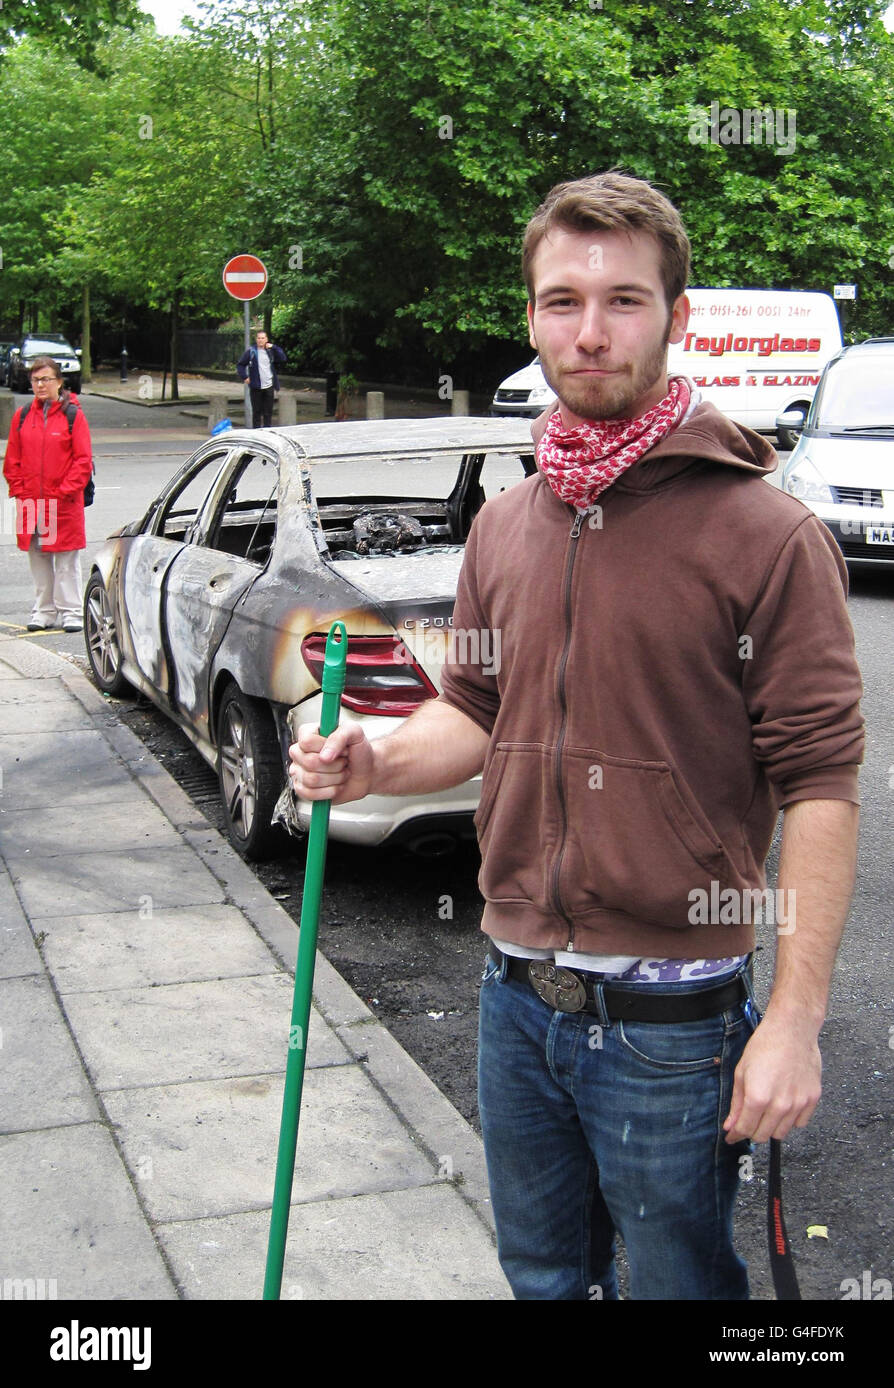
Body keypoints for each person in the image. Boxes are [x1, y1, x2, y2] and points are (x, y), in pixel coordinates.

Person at [287, 172, 864, 1300]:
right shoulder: (507, 523)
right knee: (543, 1279)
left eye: (624, 300)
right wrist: (376, 758)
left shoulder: (768, 533)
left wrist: (793, 1022)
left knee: (679, 1288)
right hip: (513, 1001)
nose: (589, 331)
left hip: (672, 1024)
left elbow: (823, 785)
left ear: (677, 316)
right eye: (562, 301)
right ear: (533, 317)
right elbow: (478, 717)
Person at [3, 355, 93, 632]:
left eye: (46, 379)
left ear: (59, 382)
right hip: (32, 500)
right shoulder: (22, 416)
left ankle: (71, 611)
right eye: (35, 380)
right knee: (39, 555)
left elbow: (82, 460)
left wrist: (64, 491)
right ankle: (44, 610)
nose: (40, 385)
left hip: (61, 502)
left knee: (65, 557)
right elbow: (12, 459)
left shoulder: (72, 415)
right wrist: (19, 489)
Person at [236, 329, 286, 428]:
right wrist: (245, 377)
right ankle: (257, 433)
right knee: (257, 412)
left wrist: (274, 347)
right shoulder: (251, 351)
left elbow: (283, 358)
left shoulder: (270, 351)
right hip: (256, 386)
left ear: (266, 339)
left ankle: (267, 431)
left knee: (268, 412)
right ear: (256, 339)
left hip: (269, 385)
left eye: (263, 338)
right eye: (259, 338)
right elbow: (240, 365)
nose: (260, 340)